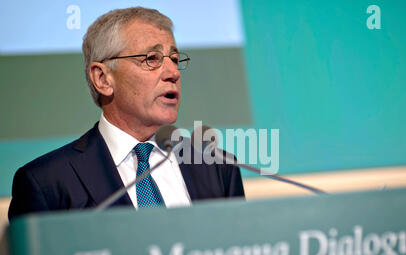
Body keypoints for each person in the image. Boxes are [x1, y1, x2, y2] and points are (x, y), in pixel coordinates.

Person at [8, 7, 245, 220]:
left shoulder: (217, 167)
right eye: (152, 59)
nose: (173, 72)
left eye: (174, 59)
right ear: (103, 79)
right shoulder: (47, 183)